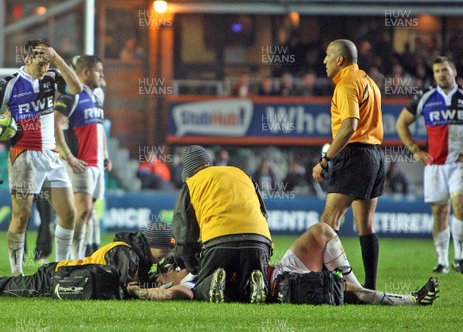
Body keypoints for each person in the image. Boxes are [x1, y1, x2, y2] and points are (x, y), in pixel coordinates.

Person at [0, 39, 82, 276]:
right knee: (22, 216)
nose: (44, 67)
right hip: (24, 156)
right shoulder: (10, 83)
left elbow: (77, 89)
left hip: (51, 155)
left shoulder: (52, 77)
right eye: (40, 62)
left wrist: (58, 59)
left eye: (46, 62)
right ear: (26, 60)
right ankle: (16, 272)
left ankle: (60, 267)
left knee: (68, 213)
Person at [148, 223, 439, 306]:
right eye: (162, 273)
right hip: (282, 285)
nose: (167, 269)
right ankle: (412, 300)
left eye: (165, 266)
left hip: (280, 267)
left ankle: (358, 283)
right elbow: (178, 294)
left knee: (322, 231)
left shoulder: (200, 263)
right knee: (345, 293)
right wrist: (144, 292)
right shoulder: (191, 284)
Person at [0, 222, 175, 298]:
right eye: (166, 249)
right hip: (53, 279)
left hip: (62, 277)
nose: (168, 255)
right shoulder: (126, 253)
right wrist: (164, 290)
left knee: (2, 285)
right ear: (154, 246)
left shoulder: (134, 253)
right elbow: (129, 289)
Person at [312, 39, 384, 290]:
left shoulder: (345, 84)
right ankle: (370, 286)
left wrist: (325, 159)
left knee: (328, 221)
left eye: (328, 55)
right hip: (375, 155)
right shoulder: (369, 82)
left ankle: (328, 283)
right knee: (365, 224)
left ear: (340, 60)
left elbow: (349, 126)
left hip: (354, 155)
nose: (324, 61)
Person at [172, 145, 273, 303]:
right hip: (258, 241)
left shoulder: (192, 183)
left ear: (189, 171)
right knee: (242, 292)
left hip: (219, 242)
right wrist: (267, 250)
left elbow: (183, 234)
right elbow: (263, 215)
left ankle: (210, 282)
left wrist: (192, 266)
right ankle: (252, 285)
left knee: (200, 289)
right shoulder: (242, 174)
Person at [395, 56, 463, 274]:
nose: (441, 74)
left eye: (444, 69)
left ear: (453, 72)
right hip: (435, 165)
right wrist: (415, 150)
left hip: (459, 163)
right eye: (436, 71)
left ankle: (459, 256)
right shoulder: (425, 97)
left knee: (460, 205)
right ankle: (443, 261)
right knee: (440, 212)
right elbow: (401, 123)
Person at [53, 55, 112, 260]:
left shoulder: (96, 97)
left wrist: (105, 155)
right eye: (99, 71)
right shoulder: (72, 95)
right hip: (81, 163)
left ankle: (79, 257)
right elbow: (55, 125)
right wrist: (68, 157)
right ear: (86, 72)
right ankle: (69, 259)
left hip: (96, 164)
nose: (102, 75)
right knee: (82, 210)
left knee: (87, 214)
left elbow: (99, 128)